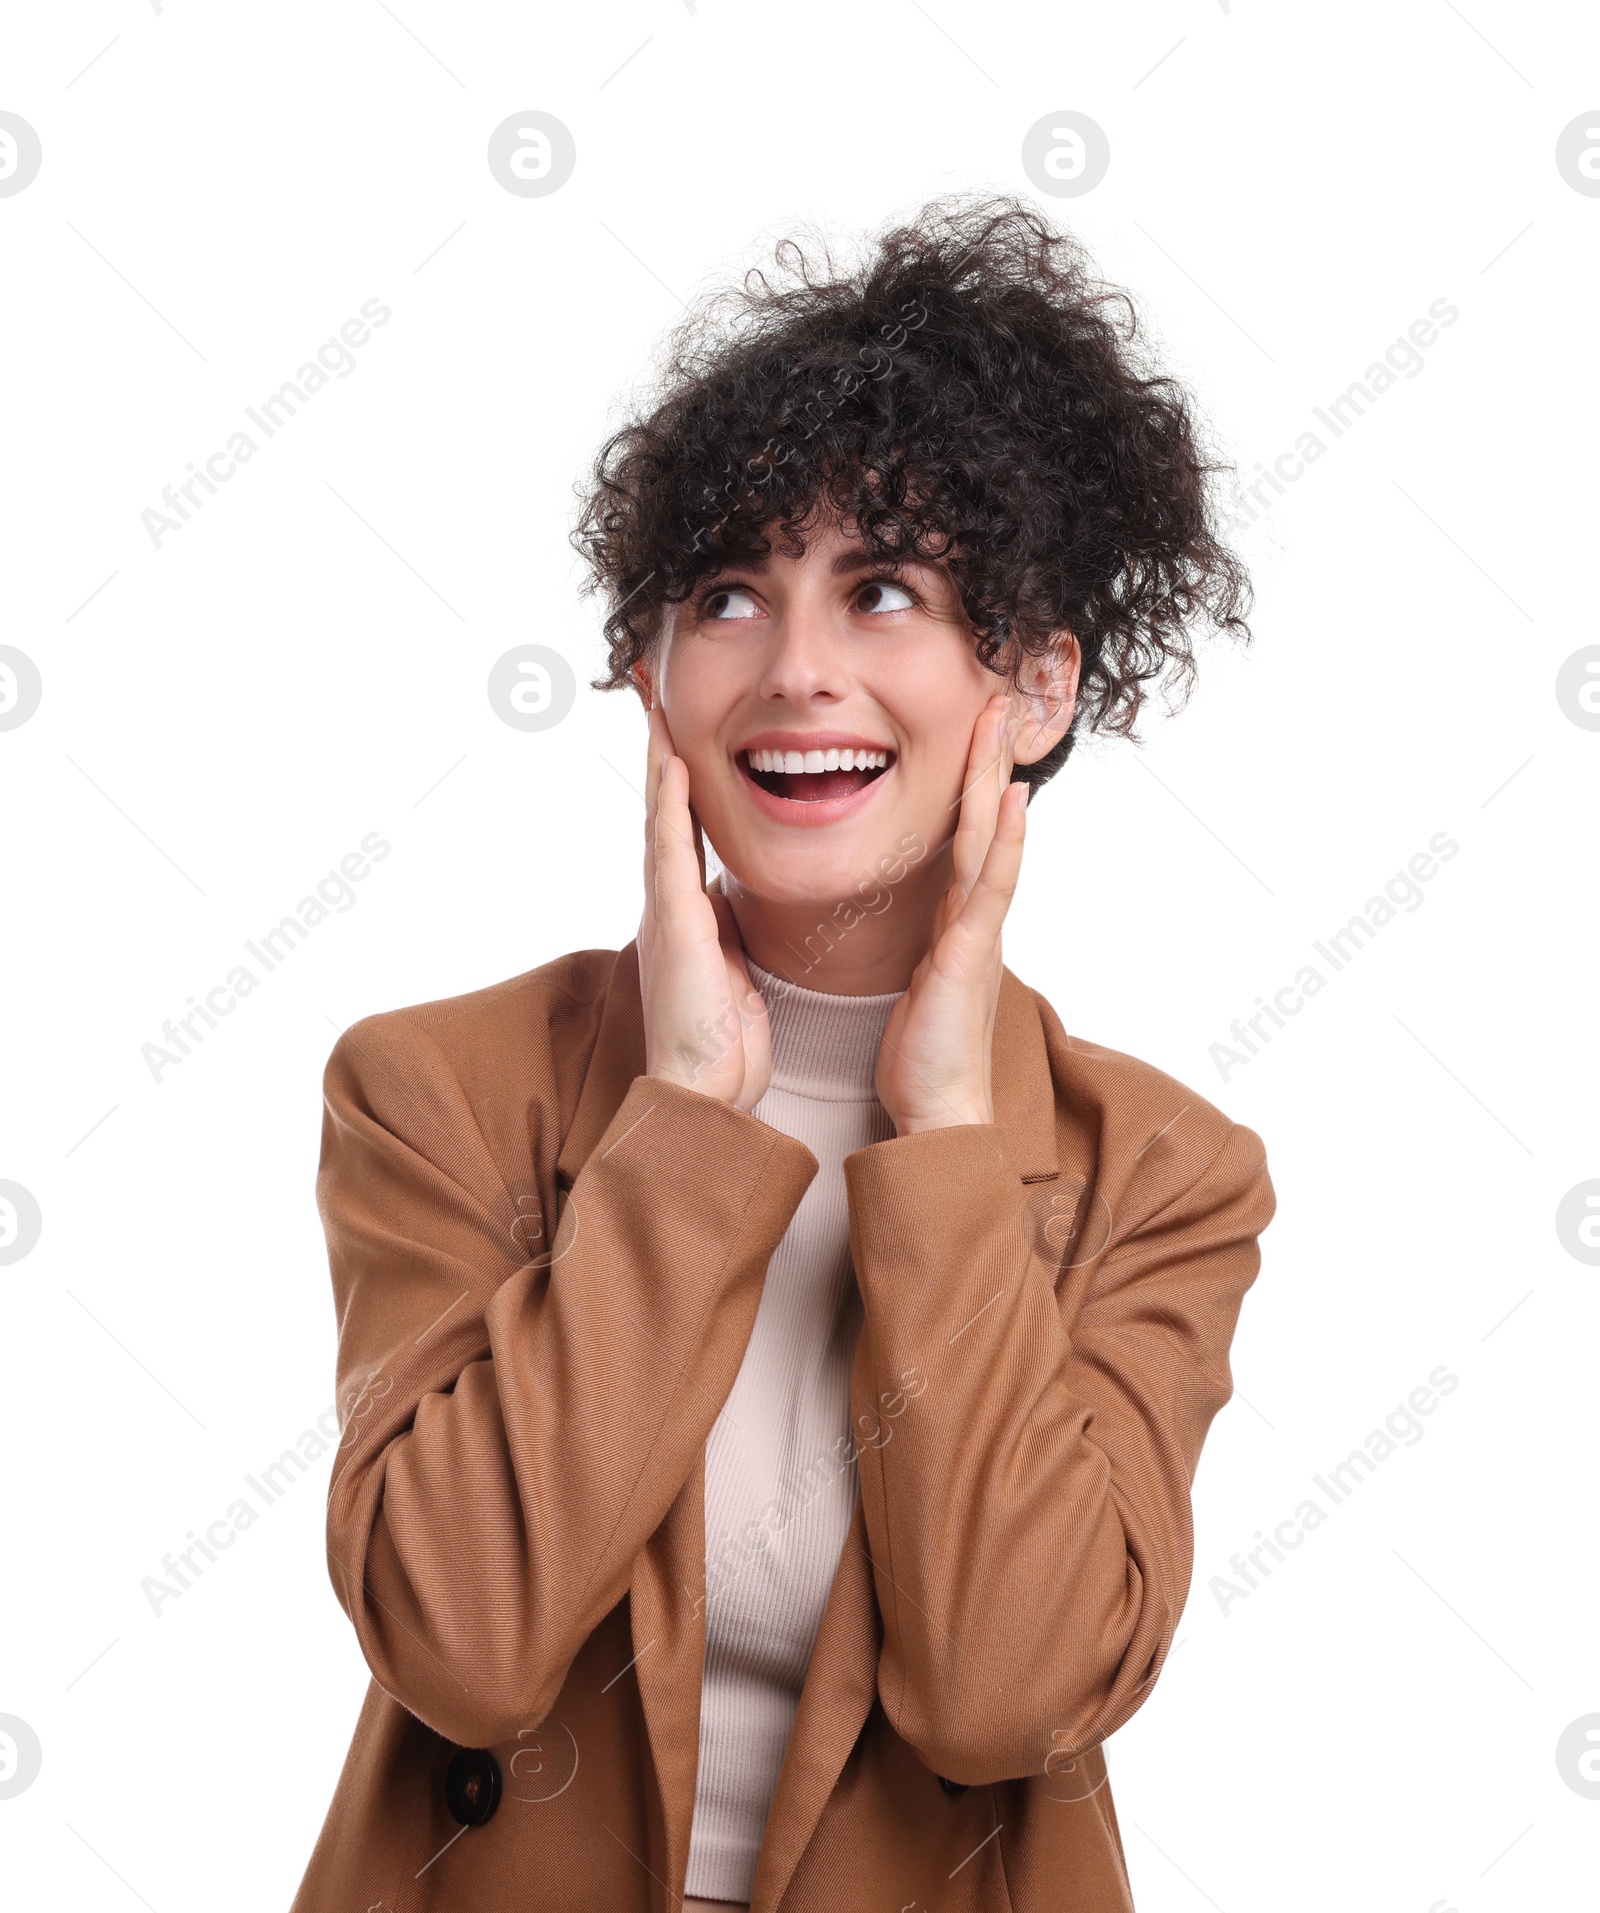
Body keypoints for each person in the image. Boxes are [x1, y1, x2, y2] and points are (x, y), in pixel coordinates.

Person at [289, 196, 1277, 1913]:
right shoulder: (436, 1089)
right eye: (729, 593)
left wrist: (948, 1133)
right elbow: (461, 1638)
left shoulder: (1165, 1174)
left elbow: (1008, 1690)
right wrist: (681, 1119)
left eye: (882, 590)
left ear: (1035, 686)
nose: (797, 670)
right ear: (652, 675)